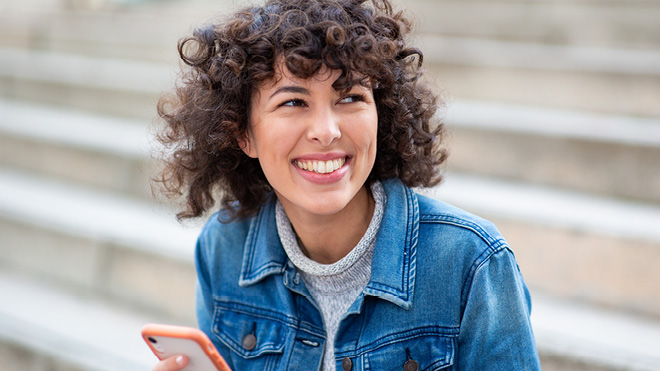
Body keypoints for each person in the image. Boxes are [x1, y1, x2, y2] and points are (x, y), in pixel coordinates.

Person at [152, 0, 541, 370]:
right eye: (293, 102)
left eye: (351, 97)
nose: (326, 131)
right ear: (243, 134)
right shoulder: (224, 247)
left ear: (380, 116)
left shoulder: (471, 262)